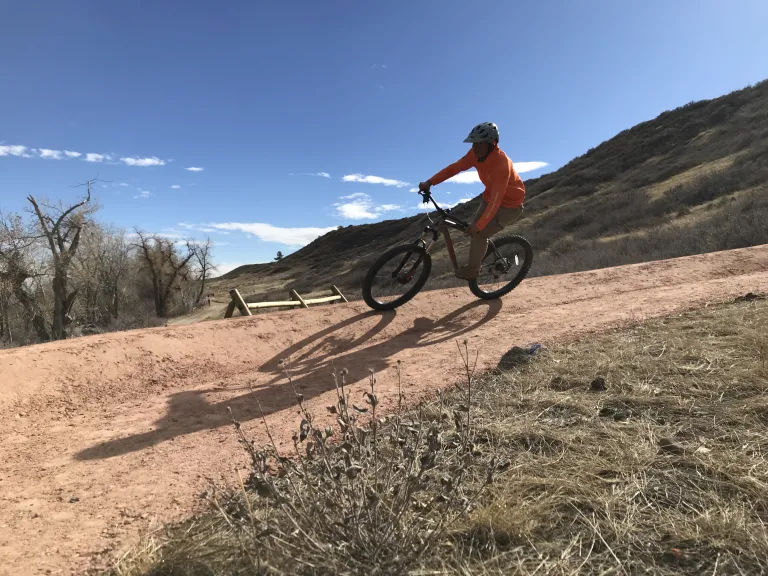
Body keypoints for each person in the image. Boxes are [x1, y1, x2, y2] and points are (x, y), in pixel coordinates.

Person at [418, 122, 525, 280]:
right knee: (472, 231)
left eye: (479, 144)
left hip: (509, 206)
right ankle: (484, 250)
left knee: (479, 233)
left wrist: (480, 226)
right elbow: (454, 168)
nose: (475, 148)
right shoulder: (475, 154)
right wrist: (430, 182)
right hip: (489, 198)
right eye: (473, 143)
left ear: (491, 143)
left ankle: (473, 270)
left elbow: (498, 197)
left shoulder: (501, 163)